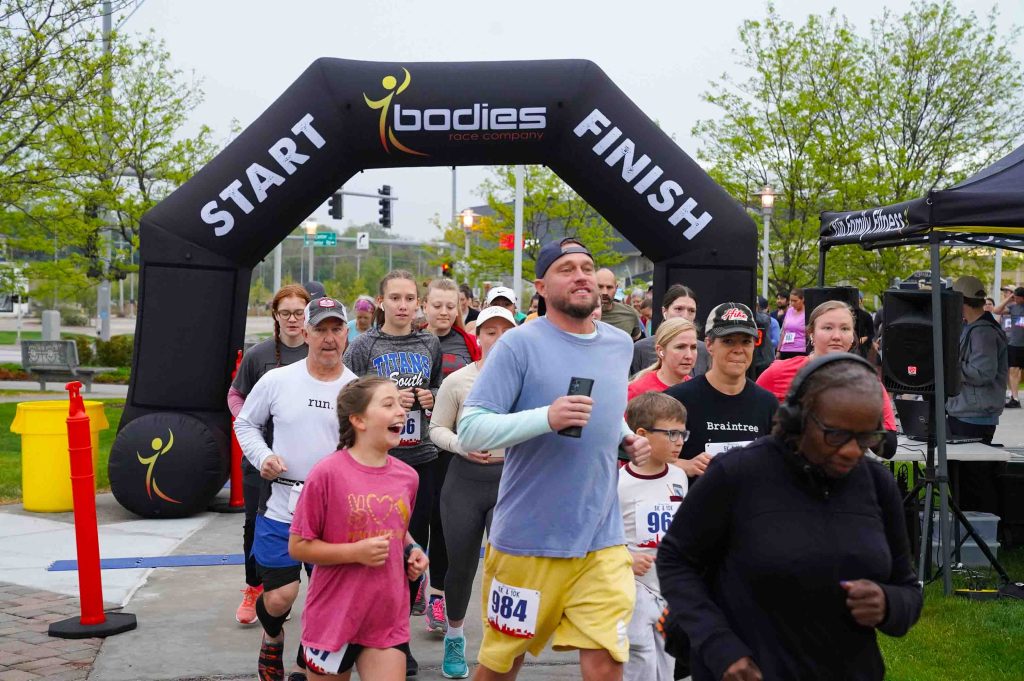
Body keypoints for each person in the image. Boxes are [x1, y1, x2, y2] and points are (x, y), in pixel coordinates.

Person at [657, 353, 923, 681]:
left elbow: (908, 589)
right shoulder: (738, 473)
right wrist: (718, 645)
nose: (853, 450)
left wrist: (888, 603)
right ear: (798, 419)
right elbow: (676, 559)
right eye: (836, 434)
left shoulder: (877, 484)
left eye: (866, 437)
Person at [458, 237, 652, 681]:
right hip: (528, 541)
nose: (581, 276)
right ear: (542, 287)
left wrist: (624, 438)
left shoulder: (618, 343)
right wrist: (546, 417)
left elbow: (607, 410)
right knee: (501, 667)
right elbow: (472, 429)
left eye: (587, 267)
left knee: (606, 662)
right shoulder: (517, 345)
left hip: (601, 539)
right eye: (567, 269)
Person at [234, 297, 359, 681]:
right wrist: (263, 456)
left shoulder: (356, 389)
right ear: (305, 333)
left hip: (333, 510)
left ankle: (307, 663)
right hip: (280, 504)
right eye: (320, 329)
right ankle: (273, 636)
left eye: (336, 329)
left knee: (326, 596)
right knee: (280, 596)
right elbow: (245, 424)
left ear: (347, 335)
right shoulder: (277, 380)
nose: (328, 338)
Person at [289, 377, 428, 681]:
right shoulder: (326, 473)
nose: (401, 411)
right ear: (359, 420)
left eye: (400, 404)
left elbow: (397, 527)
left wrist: (413, 549)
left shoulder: (408, 477)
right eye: (388, 404)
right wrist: (356, 552)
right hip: (334, 615)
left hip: (386, 614)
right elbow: (299, 546)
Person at [343, 270, 442, 676]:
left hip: (421, 458)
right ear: (381, 302)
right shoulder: (363, 345)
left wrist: (430, 397)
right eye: (395, 298)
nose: (403, 305)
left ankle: (397, 640)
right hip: (377, 464)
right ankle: (373, 637)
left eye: (409, 298)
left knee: (412, 557)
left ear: (418, 303)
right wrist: (385, 402)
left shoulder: (429, 343)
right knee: (381, 556)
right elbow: (346, 398)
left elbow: (440, 389)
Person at [428, 306, 517, 679]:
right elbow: (436, 428)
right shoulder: (458, 380)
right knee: (461, 566)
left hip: (508, 480)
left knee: (507, 566)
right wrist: (461, 445)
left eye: (505, 331)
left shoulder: (524, 380)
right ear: (477, 337)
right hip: (464, 481)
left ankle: (500, 643)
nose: (498, 339)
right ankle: (455, 636)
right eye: (490, 332)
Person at [227, 284, 312, 626]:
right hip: (261, 463)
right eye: (285, 313)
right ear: (275, 316)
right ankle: (255, 587)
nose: (292, 319)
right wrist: (250, 422)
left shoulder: (320, 353)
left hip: (304, 464)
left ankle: (308, 594)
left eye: (299, 313)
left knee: (312, 528)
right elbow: (235, 396)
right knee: (255, 525)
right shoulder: (258, 355)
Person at [756, 300, 898, 457]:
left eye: (845, 329)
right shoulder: (777, 373)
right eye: (827, 328)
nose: (836, 336)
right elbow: (751, 426)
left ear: (852, 337)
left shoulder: (867, 381)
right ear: (811, 333)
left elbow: (888, 448)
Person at [421, 278, 482, 635]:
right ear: (424, 306)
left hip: (452, 448)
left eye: (451, 306)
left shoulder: (469, 344)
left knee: (444, 525)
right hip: (412, 450)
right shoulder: (412, 340)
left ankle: (437, 594)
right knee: (414, 522)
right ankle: (412, 582)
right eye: (437, 305)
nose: (444, 312)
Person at [619, 391, 689, 681]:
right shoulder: (619, 483)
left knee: (667, 664)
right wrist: (626, 558)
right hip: (632, 588)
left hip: (668, 588)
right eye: (671, 434)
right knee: (639, 661)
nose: (680, 441)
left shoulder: (678, 477)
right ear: (641, 435)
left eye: (683, 433)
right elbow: (601, 539)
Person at [665, 303, 779, 479]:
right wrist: (684, 465)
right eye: (728, 341)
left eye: (746, 341)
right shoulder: (676, 400)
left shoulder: (767, 404)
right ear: (709, 344)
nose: (738, 350)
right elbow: (649, 460)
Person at [946, 276, 1009, 513]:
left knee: (973, 481)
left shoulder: (983, 333)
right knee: (965, 478)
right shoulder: (974, 328)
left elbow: (983, 372)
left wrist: (949, 365)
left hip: (973, 416)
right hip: (967, 412)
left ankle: (980, 524)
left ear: (960, 301)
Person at [630, 284, 710, 377]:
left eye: (691, 311)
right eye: (678, 309)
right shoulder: (641, 349)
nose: (685, 316)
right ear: (665, 311)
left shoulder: (704, 351)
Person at [627, 318, 698, 401]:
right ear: (660, 351)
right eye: (680, 347)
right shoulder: (637, 391)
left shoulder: (697, 389)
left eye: (693, 347)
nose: (689, 356)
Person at [992, 285, 1024, 408]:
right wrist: (1009, 298)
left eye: (1017, 297)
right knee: (1013, 370)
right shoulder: (1013, 307)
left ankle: (1014, 397)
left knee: (1016, 371)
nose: (1015, 299)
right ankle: (1014, 398)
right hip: (1015, 344)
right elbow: (996, 310)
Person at [596, 268, 644, 339]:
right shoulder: (582, 314)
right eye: (600, 287)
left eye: (609, 287)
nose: (605, 292)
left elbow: (637, 341)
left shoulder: (629, 313)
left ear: (616, 288)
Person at [777, 288, 807, 358]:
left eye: (795, 301)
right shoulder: (789, 311)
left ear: (802, 299)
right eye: (791, 301)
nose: (792, 303)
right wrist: (778, 350)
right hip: (785, 349)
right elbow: (783, 331)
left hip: (800, 350)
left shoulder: (807, 312)